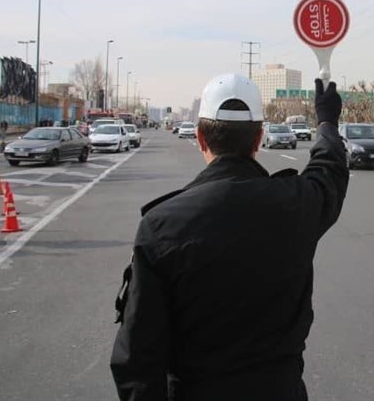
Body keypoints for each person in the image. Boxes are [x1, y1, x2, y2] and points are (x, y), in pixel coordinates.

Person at [110, 74, 349, 401]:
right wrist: (326, 122)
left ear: (200, 138)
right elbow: (329, 172)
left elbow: (138, 357)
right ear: (258, 139)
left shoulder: (161, 225)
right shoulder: (296, 204)